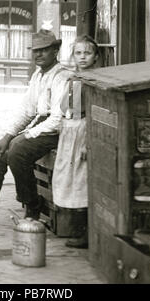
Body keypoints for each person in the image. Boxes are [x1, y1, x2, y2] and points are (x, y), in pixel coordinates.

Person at [0, 29, 71, 228]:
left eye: (44, 50)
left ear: (55, 50)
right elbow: (27, 111)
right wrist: (6, 137)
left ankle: (32, 206)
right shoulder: (38, 76)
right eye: (35, 51)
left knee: (17, 151)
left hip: (57, 131)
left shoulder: (62, 76)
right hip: (40, 126)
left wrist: (25, 136)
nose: (39, 55)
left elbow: (58, 120)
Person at [52, 35, 102, 248]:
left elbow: (94, 113)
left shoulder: (95, 80)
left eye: (87, 53)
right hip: (69, 130)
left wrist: (87, 142)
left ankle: (85, 232)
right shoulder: (72, 79)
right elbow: (65, 106)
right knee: (68, 178)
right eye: (78, 53)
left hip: (83, 130)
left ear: (96, 56)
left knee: (81, 180)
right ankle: (74, 226)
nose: (82, 57)